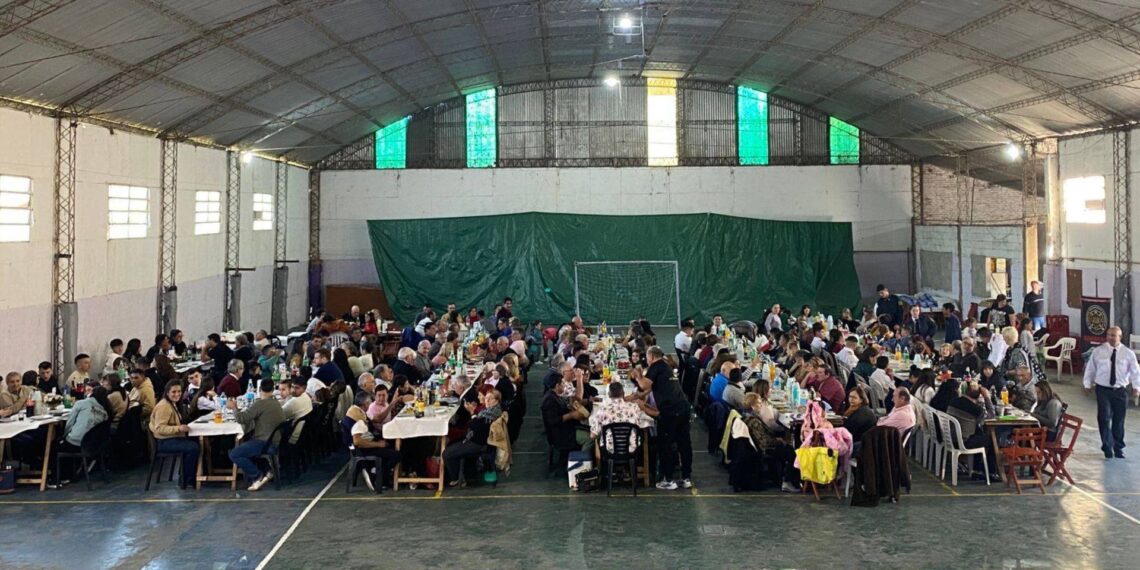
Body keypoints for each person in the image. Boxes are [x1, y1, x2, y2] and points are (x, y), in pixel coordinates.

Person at [643, 346, 692, 490]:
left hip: (670, 411)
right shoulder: (665, 366)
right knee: (684, 443)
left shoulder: (655, 365)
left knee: (666, 444)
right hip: (683, 407)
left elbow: (644, 385)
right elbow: (650, 389)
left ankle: (668, 479)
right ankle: (686, 477)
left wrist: (638, 375)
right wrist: (636, 397)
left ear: (651, 356)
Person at [226, 379, 285, 491]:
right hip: (275, 440)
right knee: (247, 442)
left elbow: (241, 418)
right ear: (273, 390)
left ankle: (257, 476)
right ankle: (268, 470)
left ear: (259, 390)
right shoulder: (276, 402)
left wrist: (234, 407)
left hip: (265, 442)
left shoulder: (260, 404)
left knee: (234, 454)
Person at [444, 389, 502, 487]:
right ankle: (464, 474)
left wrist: (472, 412)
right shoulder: (491, 411)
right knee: (451, 443)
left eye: (490, 399)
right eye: (486, 398)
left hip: (479, 443)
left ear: (496, 401)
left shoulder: (489, 415)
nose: (486, 401)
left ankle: (457, 478)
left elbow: (474, 426)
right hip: (478, 438)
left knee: (446, 454)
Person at [149, 380, 199, 489]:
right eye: (174, 392)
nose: (177, 394)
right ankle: (187, 479)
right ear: (167, 393)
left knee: (196, 442)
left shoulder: (172, 404)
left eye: (179, 391)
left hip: (172, 438)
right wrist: (178, 428)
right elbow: (160, 428)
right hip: (164, 442)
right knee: (193, 448)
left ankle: (190, 475)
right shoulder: (164, 406)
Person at [541, 379, 592, 453]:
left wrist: (570, 407)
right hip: (561, 434)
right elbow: (553, 421)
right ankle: (582, 460)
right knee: (590, 438)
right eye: (562, 384)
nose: (564, 385)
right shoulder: (550, 400)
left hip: (567, 428)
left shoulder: (555, 395)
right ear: (557, 386)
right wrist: (571, 415)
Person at [589, 381, 643, 450]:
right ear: (623, 394)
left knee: (597, 439)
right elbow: (639, 424)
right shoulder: (634, 407)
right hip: (631, 449)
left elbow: (592, 435)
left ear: (609, 395)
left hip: (610, 451)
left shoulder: (602, 410)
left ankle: (599, 460)